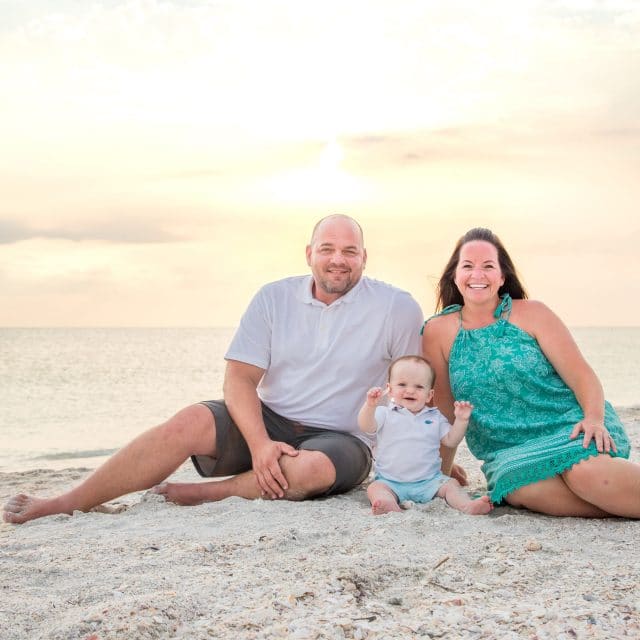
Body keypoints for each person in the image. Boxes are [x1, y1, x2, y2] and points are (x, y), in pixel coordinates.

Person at [3, 214, 425, 525]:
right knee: (187, 421)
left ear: (364, 258)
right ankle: (67, 500)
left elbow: (413, 389)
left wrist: (429, 455)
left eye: (350, 251)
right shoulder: (273, 298)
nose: (338, 260)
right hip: (269, 420)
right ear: (309, 253)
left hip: (343, 438)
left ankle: (209, 493)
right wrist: (260, 444)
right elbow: (239, 379)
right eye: (328, 249)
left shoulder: (395, 307)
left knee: (310, 470)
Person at [421, 227, 639, 518]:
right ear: (454, 275)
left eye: (488, 266)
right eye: (468, 266)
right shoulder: (437, 331)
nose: (477, 275)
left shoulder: (533, 313)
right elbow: (444, 413)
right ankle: (619, 506)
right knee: (519, 489)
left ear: (502, 276)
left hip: (568, 424)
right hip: (509, 451)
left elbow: (582, 375)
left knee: (583, 474)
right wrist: (439, 474)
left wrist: (594, 419)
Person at [358, 355, 493, 516]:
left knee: (451, 485)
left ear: (429, 395)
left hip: (429, 481)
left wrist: (461, 420)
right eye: (402, 384)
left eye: (419, 387)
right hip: (390, 481)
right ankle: (388, 505)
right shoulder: (385, 414)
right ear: (390, 389)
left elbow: (451, 441)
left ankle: (467, 505)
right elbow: (366, 426)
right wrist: (370, 406)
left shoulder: (434, 418)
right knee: (375, 488)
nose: (410, 390)